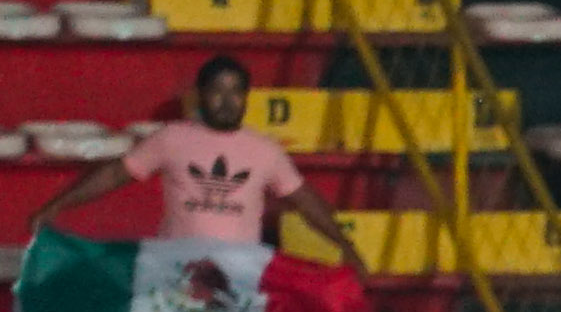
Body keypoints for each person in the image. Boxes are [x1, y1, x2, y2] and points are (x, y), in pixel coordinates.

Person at [27, 53, 367, 278]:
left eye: (236, 91)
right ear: (201, 94)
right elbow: (117, 172)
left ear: (247, 97)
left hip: (238, 277)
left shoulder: (266, 151)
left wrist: (343, 244)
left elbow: (305, 200)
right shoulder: (171, 138)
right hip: (175, 272)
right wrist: (59, 205)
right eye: (217, 91)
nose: (227, 100)